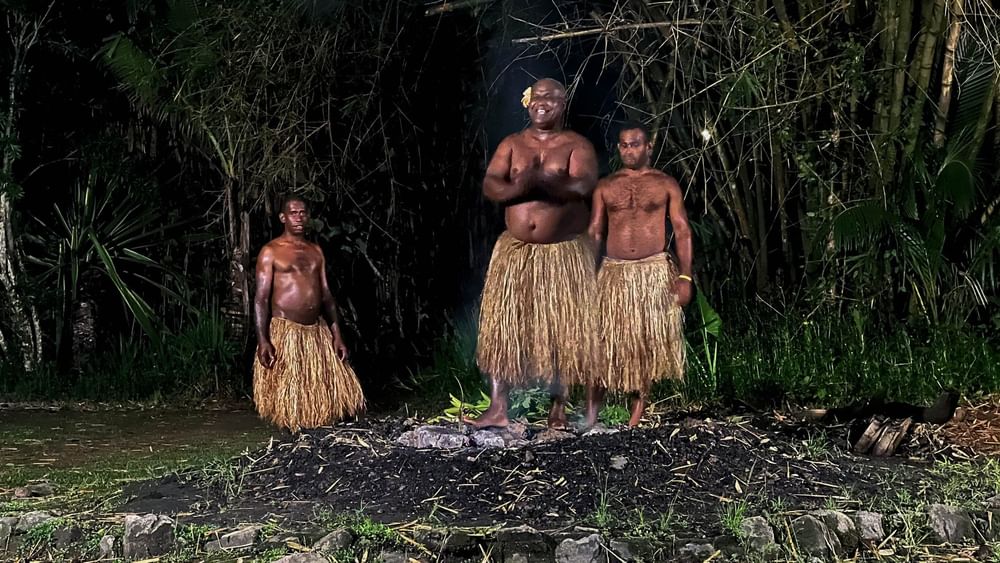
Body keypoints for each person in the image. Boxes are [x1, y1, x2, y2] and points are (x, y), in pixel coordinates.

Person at [466, 77, 602, 429]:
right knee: (503, 328)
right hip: (515, 253)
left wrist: (541, 181)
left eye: (550, 98)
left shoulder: (576, 145)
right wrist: (522, 185)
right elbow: (491, 185)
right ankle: (498, 407)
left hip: (562, 253)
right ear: (528, 102)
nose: (542, 103)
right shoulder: (512, 144)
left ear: (563, 103)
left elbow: (583, 185)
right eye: (537, 97)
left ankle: (559, 409)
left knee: (563, 330)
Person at [585, 122, 694, 428]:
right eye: (623, 145)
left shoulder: (665, 183)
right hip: (614, 272)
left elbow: (683, 231)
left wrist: (685, 277)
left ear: (649, 147)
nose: (628, 150)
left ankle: (634, 421)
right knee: (601, 344)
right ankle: (590, 418)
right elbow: (595, 232)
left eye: (635, 144)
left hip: (652, 272)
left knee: (644, 344)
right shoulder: (606, 185)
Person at [253, 195, 365, 431]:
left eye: (303, 213)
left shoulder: (315, 251)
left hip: (317, 331)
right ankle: (291, 431)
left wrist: (337, 335)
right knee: (289, 388)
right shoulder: (270, 251)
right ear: (283, 217)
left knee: (322, 390)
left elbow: (327, 295)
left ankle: (318, 433)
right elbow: (261, 299)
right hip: (286, 331)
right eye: (293, 213)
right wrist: (263, 339)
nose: (299, 217)